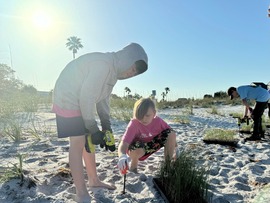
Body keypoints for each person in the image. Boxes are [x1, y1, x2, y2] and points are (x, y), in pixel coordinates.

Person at [52, 43, 148, 203]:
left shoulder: (113, 73)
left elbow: (103, 99)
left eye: (135, 73)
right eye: (133, 67)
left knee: (89, 142)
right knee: (78, 142)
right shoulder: (104, 65)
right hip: (67, 98)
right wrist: (92, 127)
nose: (132, 73)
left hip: (80, 100)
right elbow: (87, 97)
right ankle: (81, 193)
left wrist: (106, 126)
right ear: (127, 58)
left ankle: (94, 180)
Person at [117, 98, 178, 174]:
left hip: (150, 147)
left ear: (154, 113)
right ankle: (133, 167)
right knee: (138, 147)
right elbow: (124, 143)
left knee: (171, 133)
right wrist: (122, 156)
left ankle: (167, 167)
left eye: (147, 115)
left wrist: (176, 150)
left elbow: (171, 135)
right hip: (136, 150)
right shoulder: (134, 123)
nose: (143, 119)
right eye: (140, 115)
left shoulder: (158, 121)